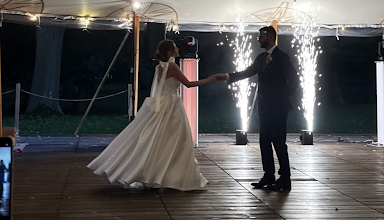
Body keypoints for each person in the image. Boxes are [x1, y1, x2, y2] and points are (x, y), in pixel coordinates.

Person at [88, 40, 217, 191]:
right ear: (169, 51)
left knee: (161, 138)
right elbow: (188, 84)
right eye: (174, 47)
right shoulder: (172, 66)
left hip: (163, 102)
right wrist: (209, 80)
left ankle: (159, 173)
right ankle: (175, 176)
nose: (177, 49)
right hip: (173, 105)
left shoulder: (159, 67)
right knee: (177, 139)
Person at [215, 26, 299, 191]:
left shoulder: (282, 57)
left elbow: (294, 79)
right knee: (264, 141)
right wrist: (227, 76)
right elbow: (247, 72)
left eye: (261, 37)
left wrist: (284, 95)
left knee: (278, 141)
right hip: (264, 106)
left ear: (270, 37)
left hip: (279, 107)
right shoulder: (261, 58)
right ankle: (268, 175)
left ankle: (285, 177)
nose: (259, 39)